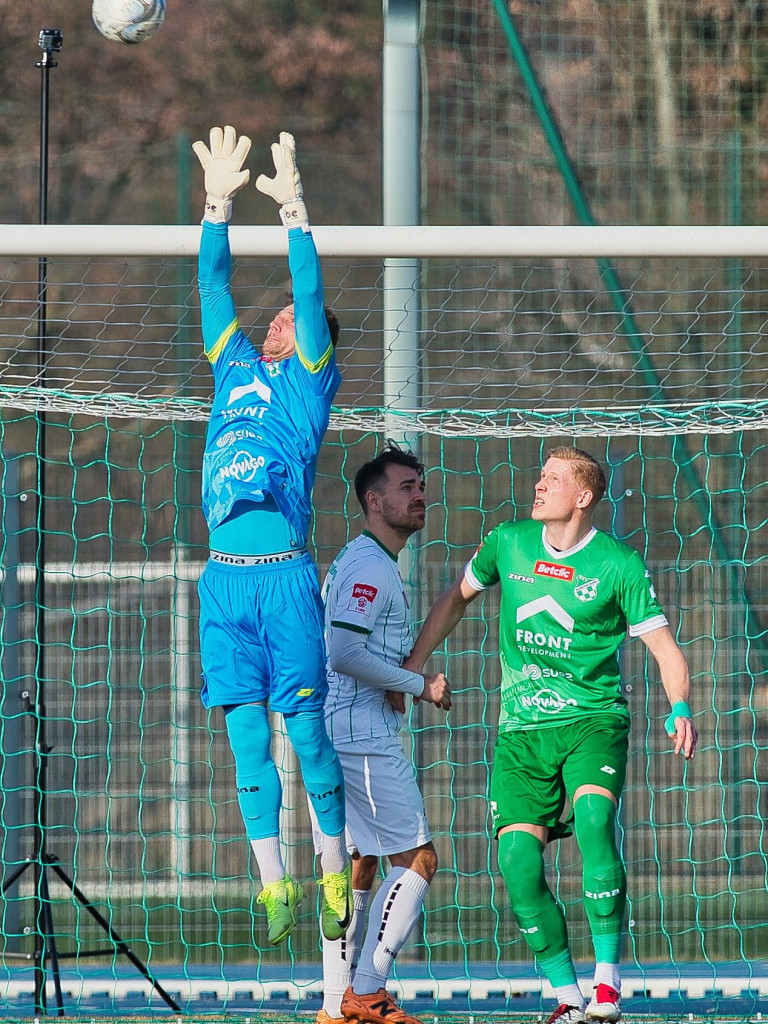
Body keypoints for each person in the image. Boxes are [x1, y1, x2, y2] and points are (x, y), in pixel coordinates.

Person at [404, 446, 698, 1024]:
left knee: (593, 821)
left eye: (553, 479)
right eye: (540, 475)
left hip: (593, 719)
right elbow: (455, 600)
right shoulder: (506, 543)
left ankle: (607, 984)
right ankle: (568, 997)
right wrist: (415, 661)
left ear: (583, 497)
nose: (538, 485)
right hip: (521, 731)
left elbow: (665, 649)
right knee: (517, 860)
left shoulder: (618, 565)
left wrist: (679, 706)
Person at [191, 125, 351, 947]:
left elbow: (311, 291)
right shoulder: (232, 367)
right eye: (282, 311)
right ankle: (273, 884)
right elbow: (213, 287)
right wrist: (216, 207)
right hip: (222, 582)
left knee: (307, 732)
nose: (283, 313)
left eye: (295, 313)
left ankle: (331, 865)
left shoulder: (307, 386)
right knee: (244, 734)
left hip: (285, 578)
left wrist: (293, 211)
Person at [313, 446, 451, 1024]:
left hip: (350, 729)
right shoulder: (370, 567)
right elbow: (345, 653)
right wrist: (418, 683)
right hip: (362, 735)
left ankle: (335, 1004)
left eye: (420, 486)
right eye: (405, 487)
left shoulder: (364, 558)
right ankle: (366, 990)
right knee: (419, 858)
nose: (419, 495)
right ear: (374, 501)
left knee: (362, 864)